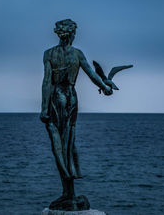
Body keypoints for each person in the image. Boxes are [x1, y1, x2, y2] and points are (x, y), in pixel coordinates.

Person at [40, 19, 112, 207]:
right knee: (68, 141)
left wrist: (44, 108)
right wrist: (105, 87)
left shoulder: (49, 54)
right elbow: (92, 74)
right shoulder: (77, 54)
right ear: (71, 34)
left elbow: (47, 81)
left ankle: (67, 192)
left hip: (57, 97)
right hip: (72, 97)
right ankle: (69, 192)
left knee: (58, 144)